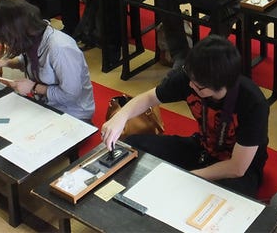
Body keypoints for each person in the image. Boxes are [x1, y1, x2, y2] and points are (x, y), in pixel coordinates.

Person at [101, 36, 268, 197]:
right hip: (202, 148)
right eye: (190, 78)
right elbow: (149, 98)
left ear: (221, 85)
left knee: (219, 201)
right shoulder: (192, 77)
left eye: (197, 86)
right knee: (133, 146)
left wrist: (187, 177)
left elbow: (237, 168)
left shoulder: (252, 103)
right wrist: (121, 117)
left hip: (237, 168)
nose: (190, 85)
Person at [0, 0, 95, 122]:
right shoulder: (33, 36)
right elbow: (26, 61)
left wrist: (34, 87)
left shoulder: (60, 48)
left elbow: (71, 95)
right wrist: (3, 62)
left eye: (5, 38)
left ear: (14, 32)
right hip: (45, 105)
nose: (5, 42)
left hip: (72, 114)